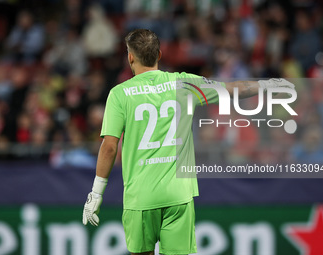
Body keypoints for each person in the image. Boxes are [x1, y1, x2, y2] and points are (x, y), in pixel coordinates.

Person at [82, 29, 295, 255]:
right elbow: (234, 89)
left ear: (130, 57)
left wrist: (96, 194)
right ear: (160, 55)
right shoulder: (184, 84)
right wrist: (268, 85)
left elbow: (109, 147)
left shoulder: (119, 94)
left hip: (140, 196)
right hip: (178, 194)